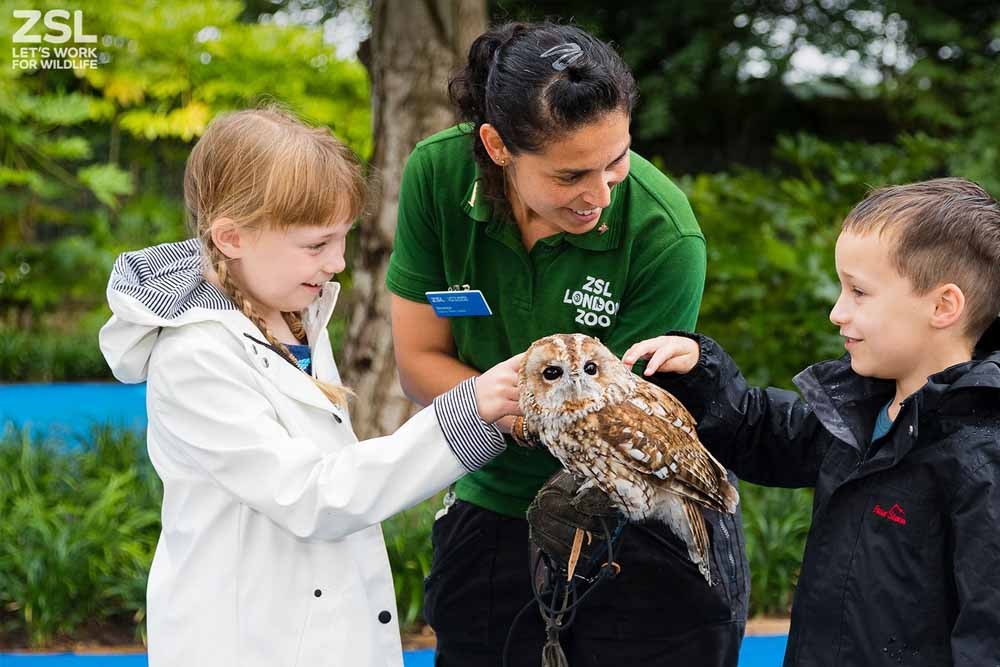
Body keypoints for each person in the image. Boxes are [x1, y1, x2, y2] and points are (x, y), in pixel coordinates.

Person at [98, 107, 524, 667]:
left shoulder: (291, 316)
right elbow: (312, 496)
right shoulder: (196, 356)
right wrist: (469, 412)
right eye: (317, 244)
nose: (338, 262)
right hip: (247, 644)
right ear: (232, 237)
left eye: (344, 239)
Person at [387, 21, 749, 666]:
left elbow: (632, 420)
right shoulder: (439, 175)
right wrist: (525, 416)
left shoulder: (662, 233)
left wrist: (531, 411)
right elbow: (417, 364)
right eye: (570, 174)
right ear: (497, 146)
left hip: (632, 511)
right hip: (489, 491)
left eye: (617, 161)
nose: (600, 194)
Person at [624, 177, 1000, 666]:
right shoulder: (860, 413)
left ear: (943, 306)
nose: (836, 312)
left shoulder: (981, 456)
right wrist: (700, 373)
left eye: (859, 292)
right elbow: (769, 434)